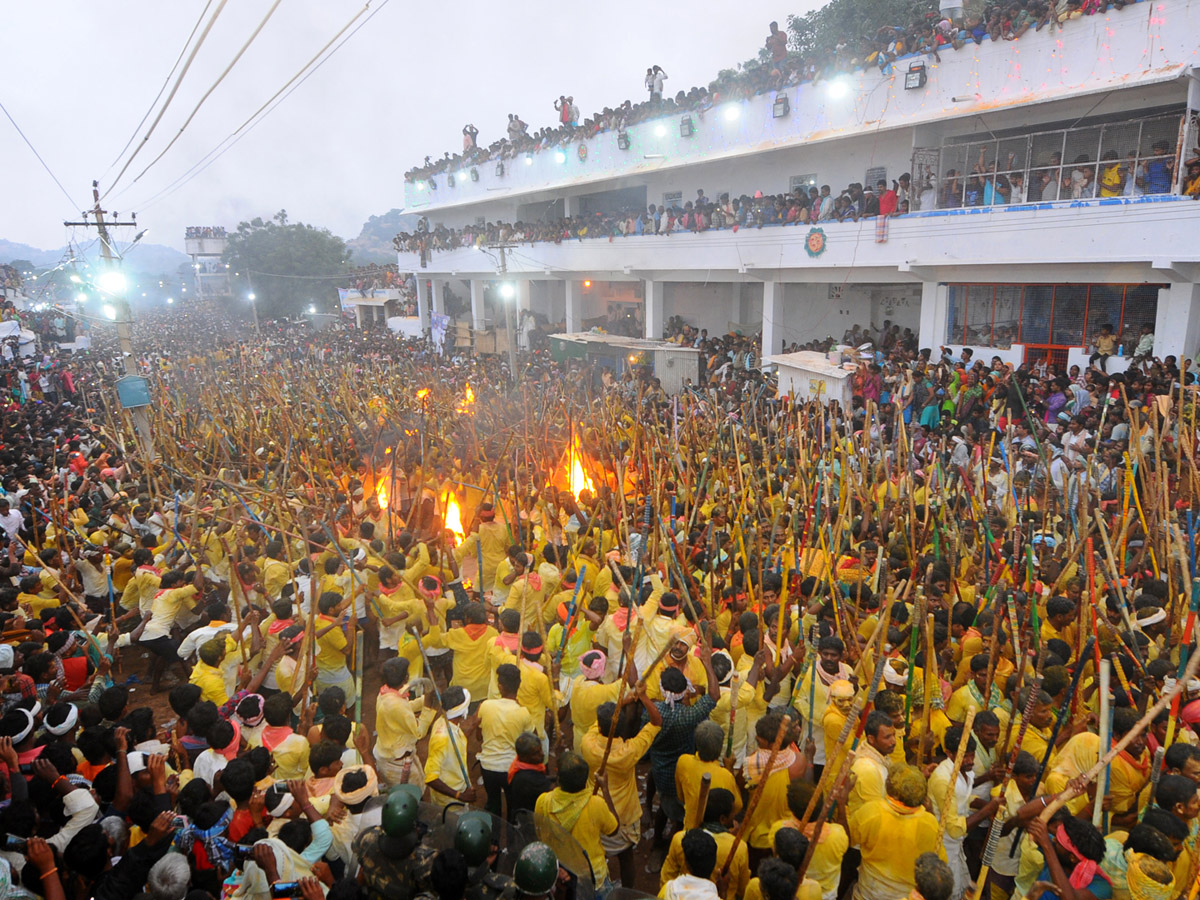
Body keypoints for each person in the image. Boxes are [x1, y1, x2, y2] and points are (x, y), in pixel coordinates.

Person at [534, 752, 619, 894]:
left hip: (559, 872)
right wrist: (605, 788)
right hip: (592, 874)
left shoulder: (544, 801)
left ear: (559, 780)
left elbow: (539, 832)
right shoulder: (596, 804)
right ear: (586, 781)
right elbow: (614, 829)